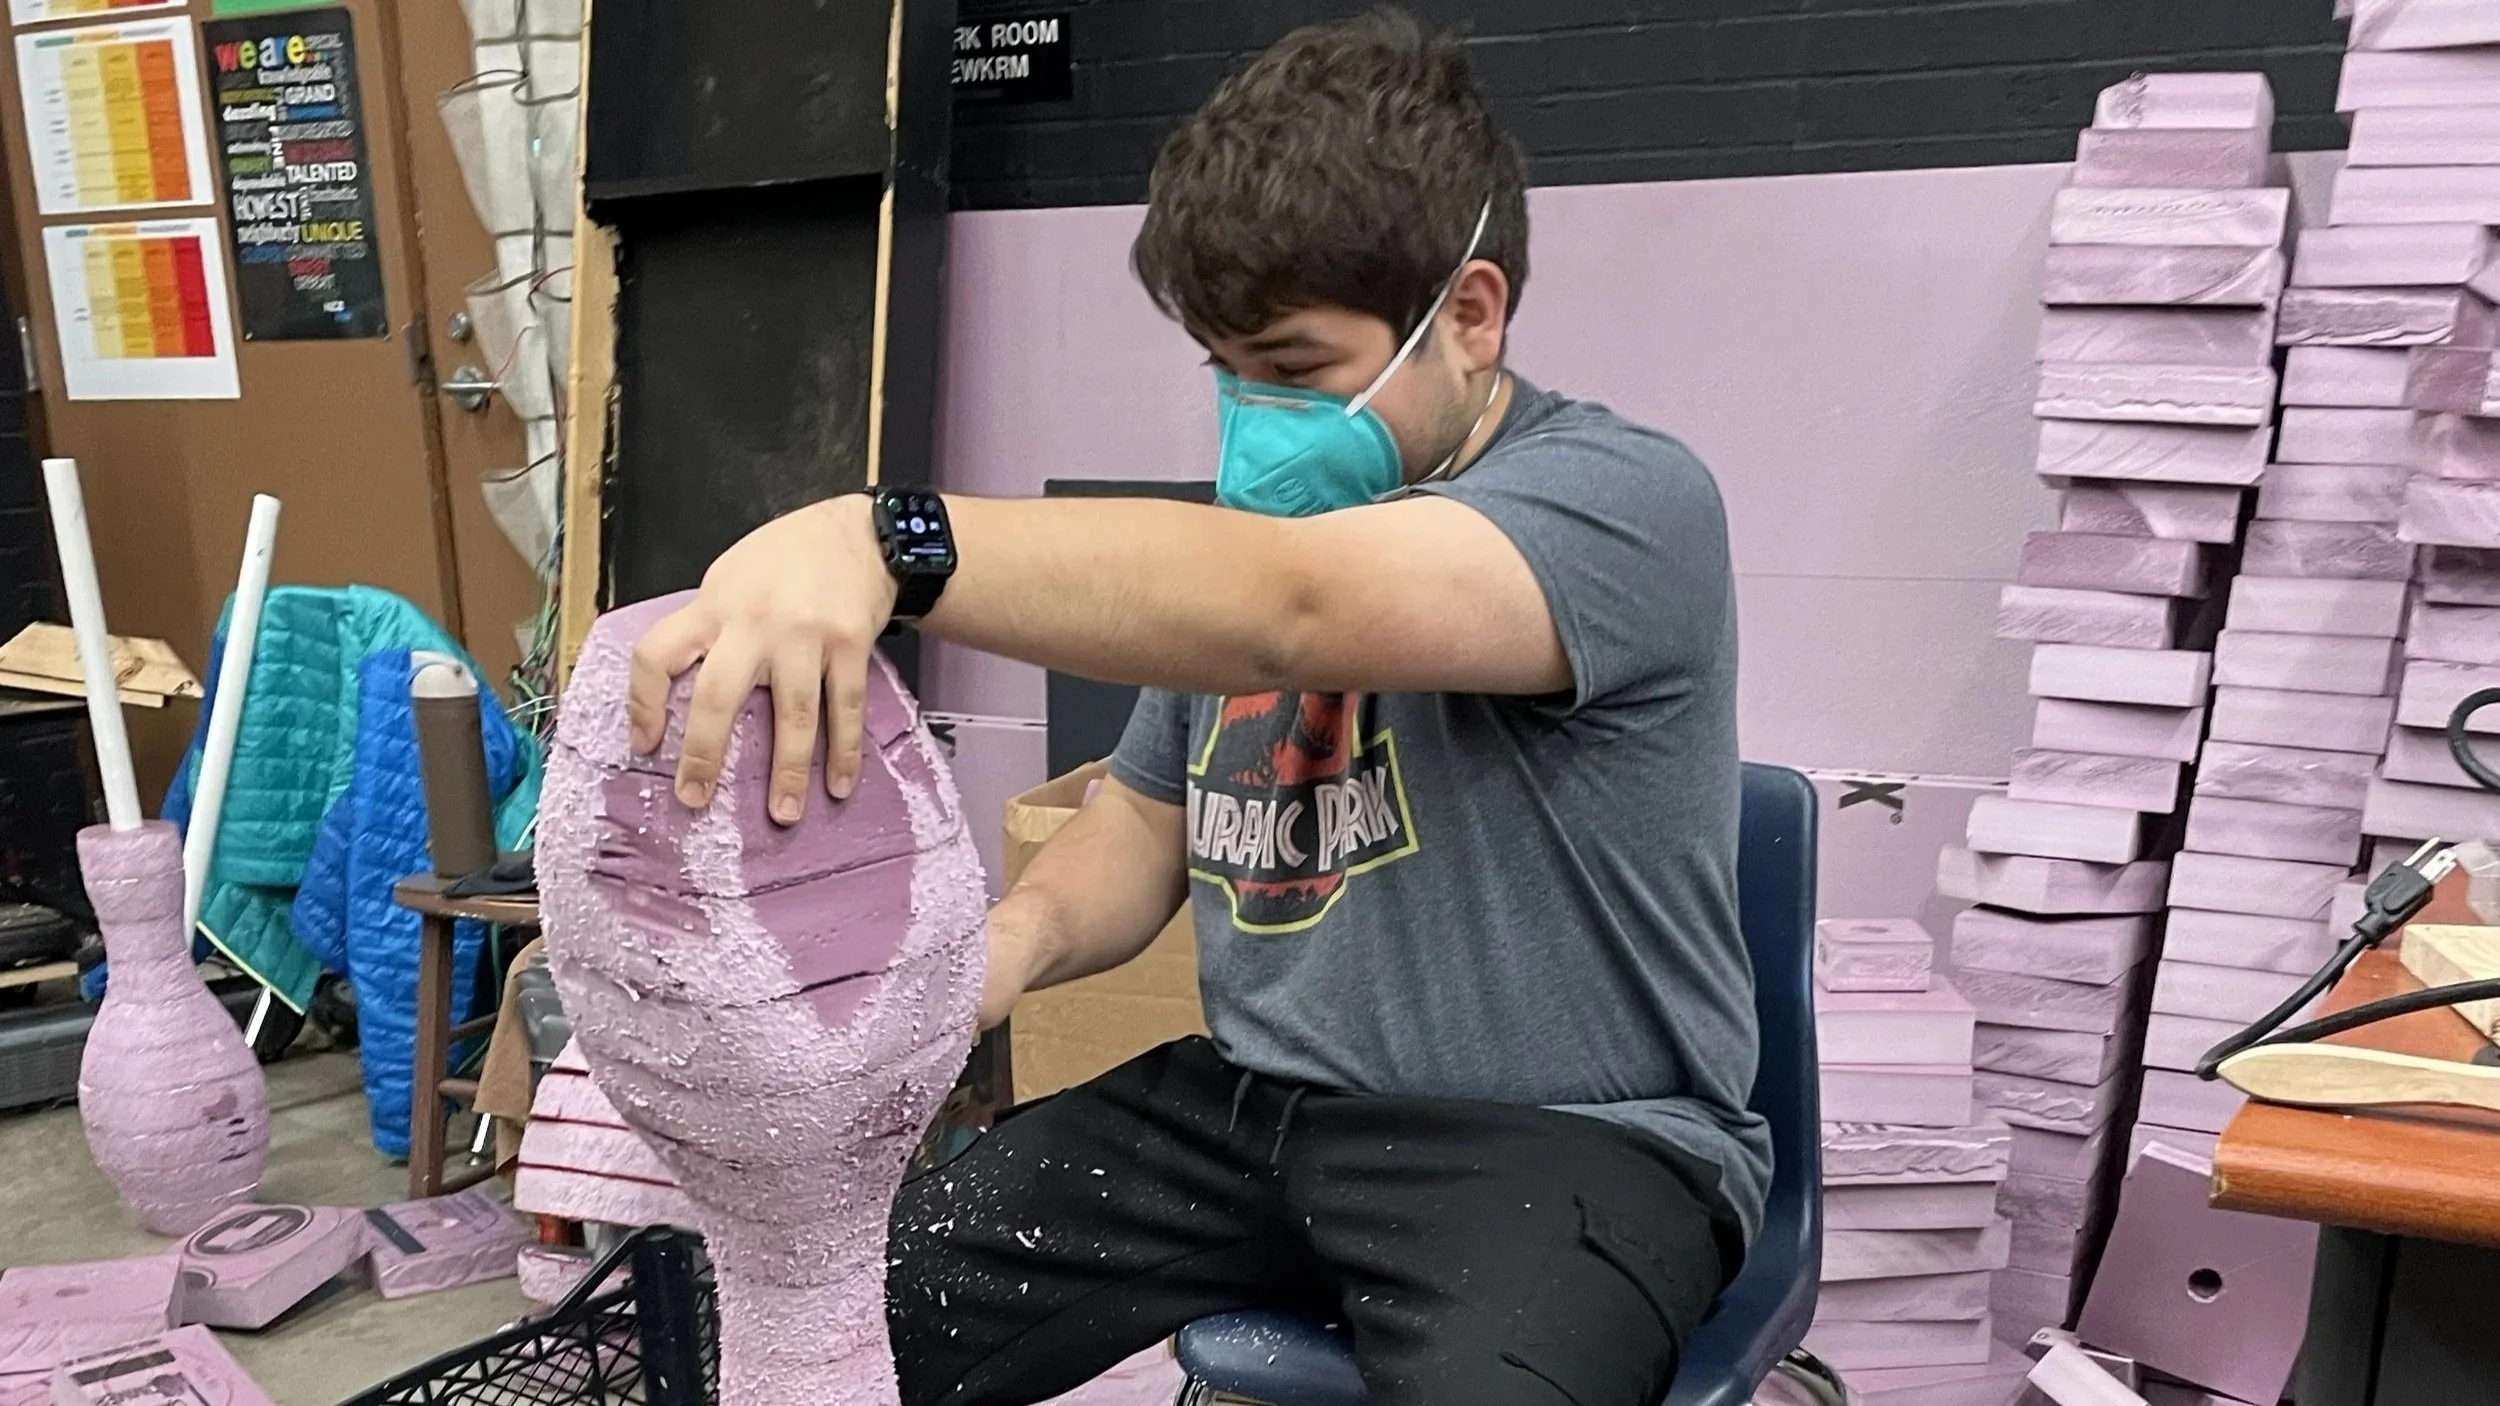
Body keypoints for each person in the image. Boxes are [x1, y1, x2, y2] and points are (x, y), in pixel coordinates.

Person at [627, 10, 1766, 1405]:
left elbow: (1301, 601)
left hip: (1564, 1143)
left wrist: (889, 540)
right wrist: (991, 954)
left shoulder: (1624, 506)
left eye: (1292, 372)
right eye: (1223, 372)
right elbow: (1142, 826)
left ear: (1470, 314)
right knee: (801, 1328)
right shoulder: (1235, 567)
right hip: (1245, 1114)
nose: (1248, 419)